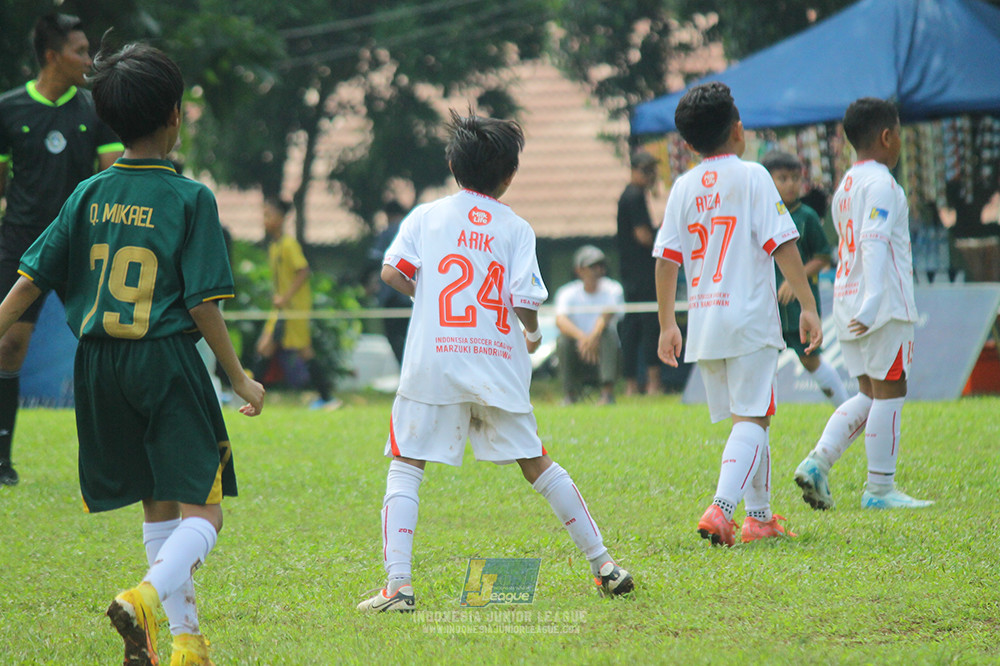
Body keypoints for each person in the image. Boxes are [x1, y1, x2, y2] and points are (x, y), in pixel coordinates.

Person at [0, 42, 265, 665]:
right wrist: (240, 377)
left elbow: (29, 282)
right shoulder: (190, 198)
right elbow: (203, 306)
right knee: (206, 512)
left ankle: (185, 644)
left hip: (96, 369)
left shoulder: (88, 193)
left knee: (158, 500)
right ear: (175, 114)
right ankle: (145, 597)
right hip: (163, 362)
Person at [358, 110, 633, 612]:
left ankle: (398, 587)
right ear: (509, 176)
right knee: (536, 462)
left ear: (450, 162)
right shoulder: (516, 227)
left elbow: (393, 272)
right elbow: (525, 299)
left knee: (406, 464)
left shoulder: (425, 215)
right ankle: (605, 565)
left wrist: (430, 292)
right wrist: (528, 331)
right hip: (495, 366)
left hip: (433, 366)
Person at [654, 82, 823, 547]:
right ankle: (722, 509)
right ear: (738, 129)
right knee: (754, 419)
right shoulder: (752, 176)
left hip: (705, 324)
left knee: (749, 418)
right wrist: (807, 305)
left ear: (688, 144)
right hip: (748, 319)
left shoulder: (683, 186)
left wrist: (669, 323)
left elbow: (666, 260)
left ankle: (761, 518)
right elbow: (783, 244)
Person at [0, 13, 124, 486]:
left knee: (106, 344)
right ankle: (2, 460)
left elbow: (114, 176)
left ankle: (116, 457)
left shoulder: (96, 110)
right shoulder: (9, 109)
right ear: (52, 56)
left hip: (82, 247)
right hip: (21, 245)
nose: (88, 60)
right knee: (9, 344)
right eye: (79, 51)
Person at [793, 98, 933, 511]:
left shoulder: (846, 186)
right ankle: (880, 488)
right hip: (881, 304)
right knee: (891, 391)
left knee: (868, 393)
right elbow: (874, 239)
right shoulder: (884, 184)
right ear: (887, 136)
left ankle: (818, 461)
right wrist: (874, 301)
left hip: (845, 299)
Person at [761, 151, 850, 406]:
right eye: (782, 178)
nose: (790, 184)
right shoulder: (761, 214)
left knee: (810, 359)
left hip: (800, 304)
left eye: (794, 178)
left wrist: (793, 279)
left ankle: (845, 410)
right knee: (763, 364)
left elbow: (822, 257)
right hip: (768, 304)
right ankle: (757, 424)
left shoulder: (807, 216)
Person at [255, 196, 341, 410]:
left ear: (282, 218)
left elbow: (303, 271)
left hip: (293, 309)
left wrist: (285, 297)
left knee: (302, 350)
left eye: (269, 215)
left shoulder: (288, 244)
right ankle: (251, 396)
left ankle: (327, 397)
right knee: (265, 347)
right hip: (282, 309)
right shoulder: (275, 246)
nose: (265, 220)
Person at [616, 150, 663, 396]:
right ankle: (653, 383)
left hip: (630, 272)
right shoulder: (634, 196)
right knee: (648, 324)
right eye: (647, 170)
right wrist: (663, 235)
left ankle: (631, 384)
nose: (651, 176)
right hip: (642, 273)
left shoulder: (631, 196)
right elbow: (643, 236)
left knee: (633, 326)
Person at [554, 245, 624, 405]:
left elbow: (608, 314)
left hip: (604, 350)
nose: (598, 270)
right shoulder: (567, 292)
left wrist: (593, 337)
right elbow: (561, 320)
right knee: (563, 340)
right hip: (578, 349)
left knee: (608, 334)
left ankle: (607, 394)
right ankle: (569, 395)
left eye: (601, 266)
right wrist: (584, 339)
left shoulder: (613, 288)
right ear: (579, 270)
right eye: (592, 266)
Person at [367, 200, 411, 365]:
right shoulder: (412, 231)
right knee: (412, 337)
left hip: (391, 295)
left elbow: (374, 260)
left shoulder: (386, 234)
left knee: (395, 338)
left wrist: (367, 284)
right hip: (412, 297)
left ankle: (404, 370)